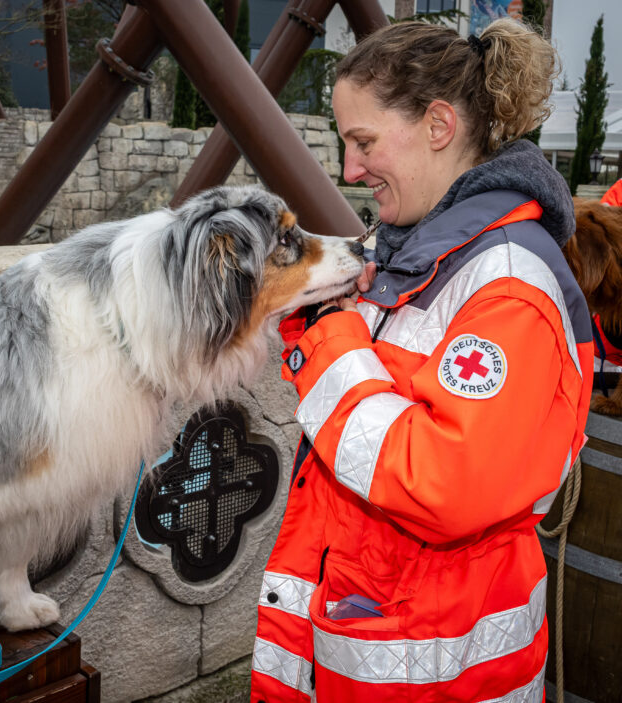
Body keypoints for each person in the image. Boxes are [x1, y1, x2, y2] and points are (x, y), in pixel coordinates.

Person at [252, 18, 592, 703]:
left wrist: (331, 343)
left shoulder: (508, 285)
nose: (349, 170)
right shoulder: (411, 251)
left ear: (439, 126)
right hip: (379, 650)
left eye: (364, 142)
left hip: (439, 670)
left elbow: (446, 482)